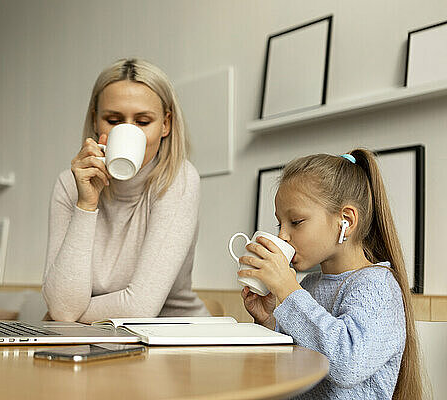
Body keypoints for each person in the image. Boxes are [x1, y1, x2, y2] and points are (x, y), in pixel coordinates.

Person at [238, 149, 424, 399]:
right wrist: (268, 320)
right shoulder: (312, 284)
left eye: (296, 221)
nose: (282, 235)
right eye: (279, 224)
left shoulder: (377, 286)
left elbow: (346, 364)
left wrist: (288, 290)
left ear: (345, 221)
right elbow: (298, 359)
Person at [42, 58, 209, 323]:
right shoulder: (69, 184)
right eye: (113, 120)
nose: (128, 131)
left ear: (165, 124)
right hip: (91, 336)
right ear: (96, 121)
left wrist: (67, 315)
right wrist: (86, 204)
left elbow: (140, 307)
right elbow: (63, 308)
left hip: (171, 335)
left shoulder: (179, 179)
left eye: (143, 122)